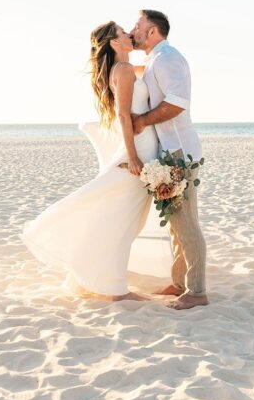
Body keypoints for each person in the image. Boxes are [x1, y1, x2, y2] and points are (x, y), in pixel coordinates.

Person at [21, 21, 160, 301]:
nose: (129, 34)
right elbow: (123, 115)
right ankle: (115, 289)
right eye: (123, 32)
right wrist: (132, 157)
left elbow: (154, 70)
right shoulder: (121, 70)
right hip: (138, 150)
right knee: (123, 220)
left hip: (145, 147)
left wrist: (156, 51)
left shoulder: (127, 69)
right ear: (113, 42)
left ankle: (93, 274)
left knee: (128, 218)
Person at [130, 9, 209, 310]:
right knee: (176, 223)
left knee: (186, 223)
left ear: (153, 32)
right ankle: (178, 282)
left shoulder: (167, 59)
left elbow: (177, 103)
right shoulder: (153, 61)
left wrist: (142, 121)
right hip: (169, 150)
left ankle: (197, 290)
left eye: (138, 26)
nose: (133, 30)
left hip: (181, 152)